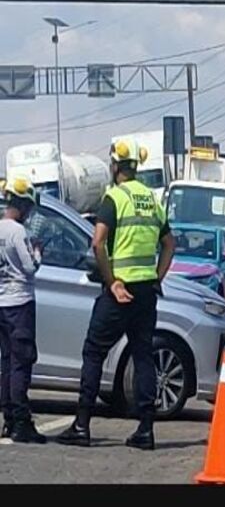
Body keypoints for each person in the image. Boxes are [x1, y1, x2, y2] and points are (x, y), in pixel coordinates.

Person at [56, 138, 174, 451]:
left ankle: (82, 425)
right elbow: (169, 244)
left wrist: (112, 283)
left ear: (115, 165)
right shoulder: (151, 199)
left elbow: (97, 243)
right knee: (143, 354)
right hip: (146, 291)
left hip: (119, 290)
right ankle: (146, 429)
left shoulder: (114, 198)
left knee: (94, 351)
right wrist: (156, 277)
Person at [0, 176, 44, 444]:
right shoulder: (18, 232)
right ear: (23, 204)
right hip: (20, 304)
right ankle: (21, 422)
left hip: (2, 303)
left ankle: (8, 418)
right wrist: (37, 252)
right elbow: (30, 267)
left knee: (6, 363)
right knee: (21, 363)